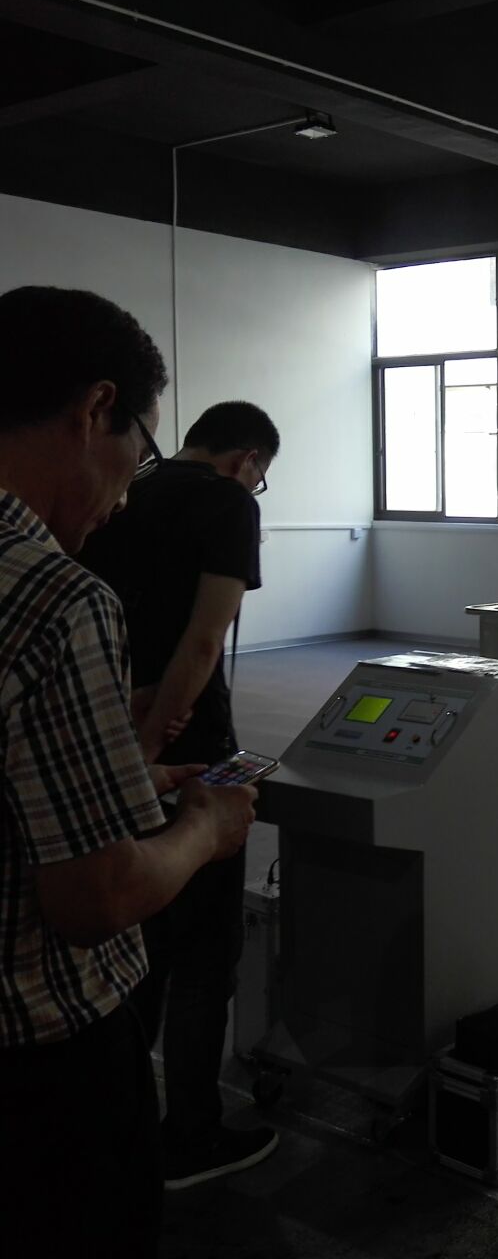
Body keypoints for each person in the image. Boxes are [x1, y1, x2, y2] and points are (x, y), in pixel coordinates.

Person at [0, 286, 257, 1257]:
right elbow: (94, 895)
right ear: (94, 409)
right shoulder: (54, 596)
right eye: (136, 449)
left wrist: (116, 769)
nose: (124, 492)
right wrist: (204, 827)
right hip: (43, 1069)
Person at [81, 399, 281, 1190]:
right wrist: (153, 747)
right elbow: (202, 642)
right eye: (260, 476)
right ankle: (192, 1132)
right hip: (187, 750)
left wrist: (123, 753)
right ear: (247, 461)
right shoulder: (227, 503)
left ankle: (120, 1121)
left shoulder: (127, 488)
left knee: (142, 946)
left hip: (108, 727)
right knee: (204, 953)